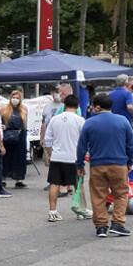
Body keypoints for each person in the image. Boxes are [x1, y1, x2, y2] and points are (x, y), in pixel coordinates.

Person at [76, 93, 133, 238]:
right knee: (121, 194)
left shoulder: (89, 123)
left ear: (97, 107)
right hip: (119, 164)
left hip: (97, 165)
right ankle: (118, 223)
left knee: (98, 196)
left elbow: (81, 147)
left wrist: (79, 165)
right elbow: (131, 144)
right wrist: (130, 161)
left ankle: (101, 226)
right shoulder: (123, 121)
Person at [44, 94, 87, 222]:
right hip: (74, 157)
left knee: (54, 183)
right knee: (78, 184)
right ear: (77, 106)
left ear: (64, 105)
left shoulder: (54, 119)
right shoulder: (80, 120)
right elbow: (84, 142)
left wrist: (50, 154)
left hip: (57, 157)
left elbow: (47, 141)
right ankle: (81, 210)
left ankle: (52, 211)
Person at [0, 89, 28, 188]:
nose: (15, 100)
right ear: (10, 98)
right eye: (13, 97)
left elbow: (25, 124)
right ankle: (2, 178)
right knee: (6, 157)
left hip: (20, 135)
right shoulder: (3, 109)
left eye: (17, 98)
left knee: (20, 158)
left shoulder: (24, 109)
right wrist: (1, 126)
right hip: (7, 134)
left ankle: (19, 179)